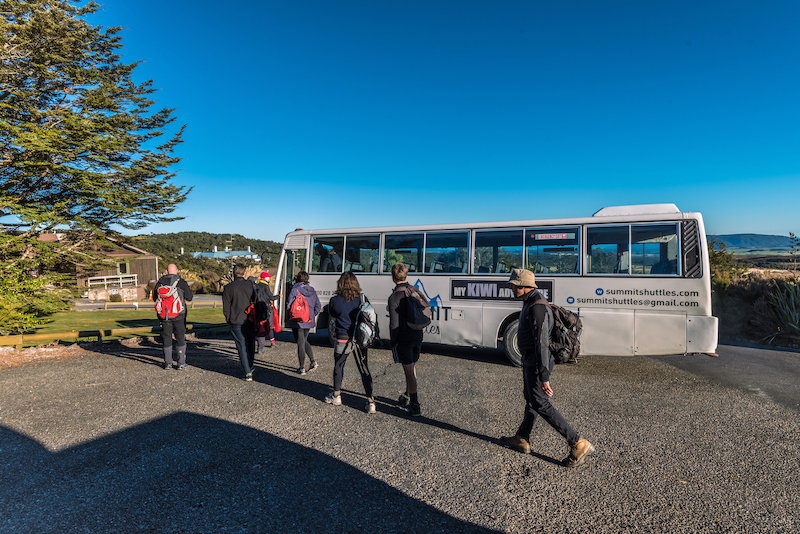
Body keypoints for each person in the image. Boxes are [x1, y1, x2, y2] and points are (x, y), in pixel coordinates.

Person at [499, 268, 595, 468]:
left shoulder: (537, 307)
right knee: (532, 399)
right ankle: (522, 438)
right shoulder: (530, 302)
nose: (510, 287)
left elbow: (542, 344)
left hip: (537, 362)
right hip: (531, 361)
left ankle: (577, 442)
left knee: (541, 403)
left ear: (523, 287)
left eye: (513, 285)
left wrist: (544, 377)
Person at [324, 272, 375, 413]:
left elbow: (332, 314)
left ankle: (337, 396)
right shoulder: (362, 299)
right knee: (364, 368)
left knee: (339, 366)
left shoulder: (335, 300)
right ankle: (371, 402)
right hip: (359, 338)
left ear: (340, 283)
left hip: (342, 337)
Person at [388, 262, 424, 417]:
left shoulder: (394, 296)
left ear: (393, 277)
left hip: (404, 337)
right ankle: (408, 395)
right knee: (411, 367)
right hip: (417, 334)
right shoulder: (415, 291)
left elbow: (394, 323)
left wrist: (393, 341)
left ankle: (415, 406)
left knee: (408, 370)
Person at [153, 264, 193, 370]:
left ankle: (168, 363)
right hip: (179, 314)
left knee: (166, 337)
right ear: (176, 270)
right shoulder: (181, 282)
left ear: (166, 271)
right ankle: (180, 362)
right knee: (180, 337)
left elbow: (154, 298)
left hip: (164, 315)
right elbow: (189, 297)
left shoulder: (160, 282)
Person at [222, 264, 256, 381]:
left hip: (236, 319)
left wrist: (228, 319)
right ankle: (250, 365)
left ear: (233, 273)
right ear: (244, 273)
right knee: (250, 343)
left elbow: (226, 307)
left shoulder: (228, 288)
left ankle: (247, 371)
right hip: (250, 319)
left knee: (241, 345)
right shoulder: (250, 285)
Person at [285, 271, 321, 375]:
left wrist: (290, 316)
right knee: (304, 340)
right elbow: (318, 306)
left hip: (297, 321)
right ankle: (313, 361)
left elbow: (289, 305)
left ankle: (302, 368)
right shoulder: (312, 290)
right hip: (308, 320)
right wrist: (311, 315)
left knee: (300, 342)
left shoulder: (295, 290)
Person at [253, 272, 279, 353]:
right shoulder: (265, 286)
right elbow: (270, 297)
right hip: (266, 307)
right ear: (264, 278)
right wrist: (278, 296)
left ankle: (260, 347)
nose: (269, 278)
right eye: (268, 277)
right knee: (269, 324)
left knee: (259, 326)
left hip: (258, 308)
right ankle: (272, 342)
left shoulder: (257, 286)